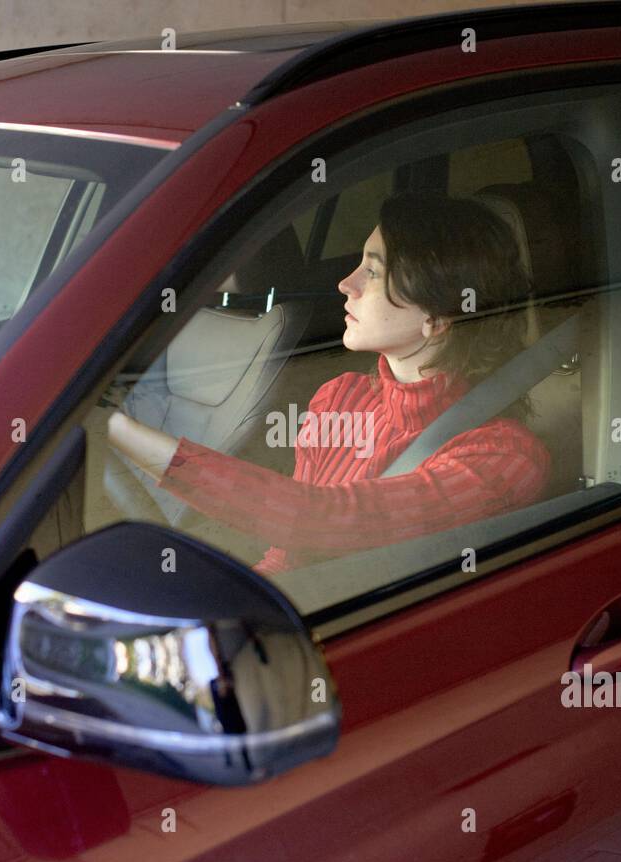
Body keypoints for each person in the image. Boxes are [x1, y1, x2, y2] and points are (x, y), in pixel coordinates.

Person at [105, 191, 551, 576]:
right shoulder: (339, 397)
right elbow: (289, 555)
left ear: (436, 316)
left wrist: (116, 430)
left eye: (372, 272)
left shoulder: (504, 459)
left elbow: (323, 519)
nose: (345, 283)